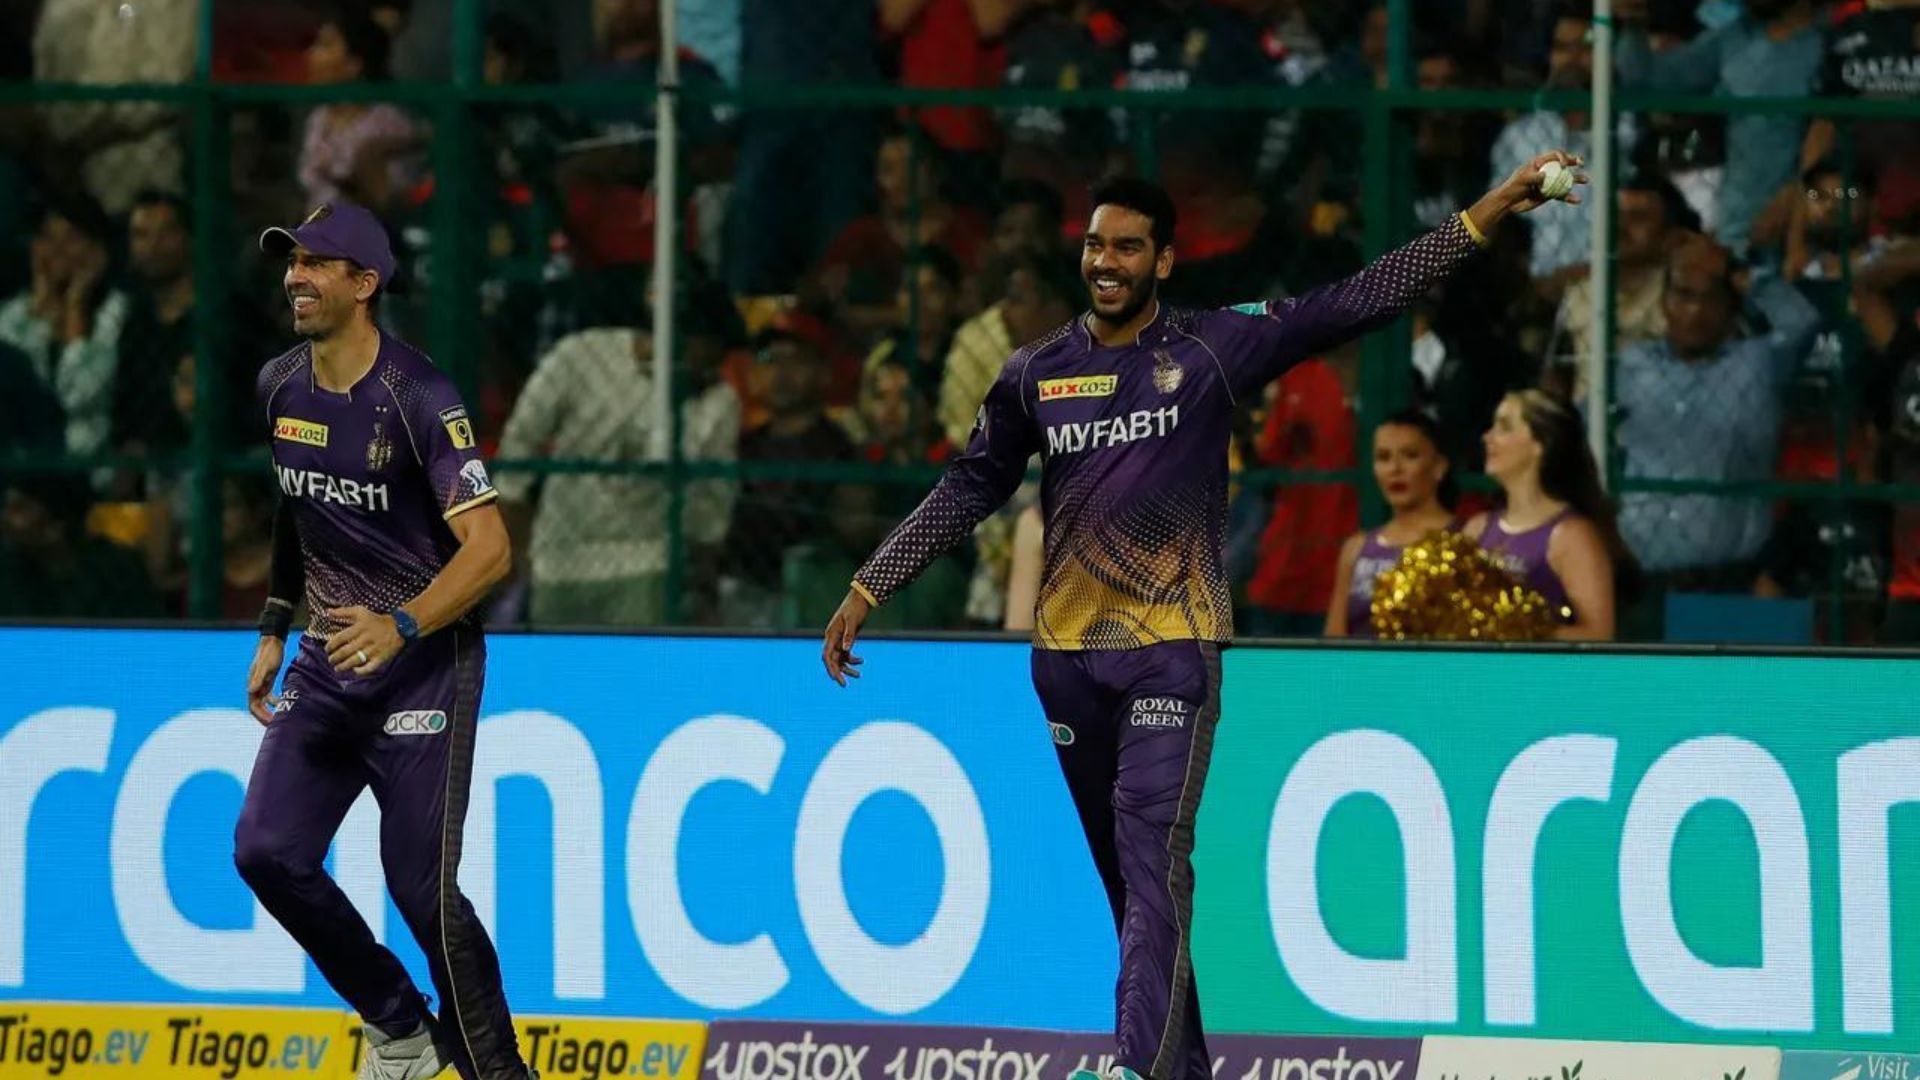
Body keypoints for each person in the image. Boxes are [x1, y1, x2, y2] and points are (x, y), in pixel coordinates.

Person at [822, 155, 1583, 1080]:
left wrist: (1492, 206)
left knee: (1152, 858)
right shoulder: (1036, 373)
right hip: (1065, 661)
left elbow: (1354, 301)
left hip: (1171, 654)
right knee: (1132, 890)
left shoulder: (1213, 348)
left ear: (1165, 262)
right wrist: (872, 582)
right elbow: (971, 485)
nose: (1107, 261)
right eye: (1096, 244)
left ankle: (1134, 1068)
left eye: (1129, 247)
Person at [233, 201, 533, 1080]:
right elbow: (300, 506)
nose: (295, 276)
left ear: (364, 285)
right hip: (328, 661)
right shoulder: (278, 385)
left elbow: (492, 550)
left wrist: (401, 625)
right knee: (265, 851)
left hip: (424, 670)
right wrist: (274, 624)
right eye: (291, 260)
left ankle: (496, 1072)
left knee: (423, 897)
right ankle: (400, 1027)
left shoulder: (420, 399)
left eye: (316, 263)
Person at [1466, 389, 1631, 641]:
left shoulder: (1571, 536)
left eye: (1505, 427)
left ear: (1540, 445)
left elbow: (1598, 634)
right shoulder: (1477, 529)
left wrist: (1517, 631)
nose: (1488, 437)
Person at [1325, 410, 1457, 638]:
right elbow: (1334, 641)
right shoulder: (1356, 549)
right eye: (1383, 457)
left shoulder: (1465, 540)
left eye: (1410, 455)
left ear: (1439, 466)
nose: (1395, 469)